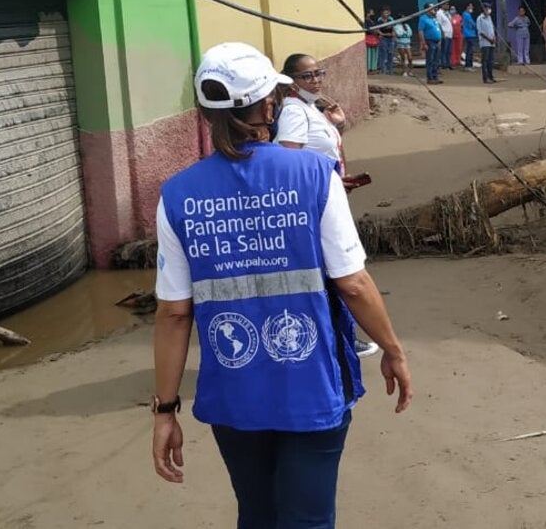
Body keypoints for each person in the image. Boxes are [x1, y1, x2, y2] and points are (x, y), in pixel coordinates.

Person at [150, 42, 413, 529]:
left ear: (206, 113)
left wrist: (165, 410)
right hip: (311, 384)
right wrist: (392, 349)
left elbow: (173, 314)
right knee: (309, 519)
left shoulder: (177, 196)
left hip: (233, 391)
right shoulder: (316, 174)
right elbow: (353, 284)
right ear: (269, 103)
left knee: (256, 514)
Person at [274, 53, 381, 359]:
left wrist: (339, 125)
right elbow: (289, 162)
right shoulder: (294, 112)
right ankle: (337, 340)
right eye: (308, 76)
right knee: (336, 274)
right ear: (292, 80)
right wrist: (321, 185)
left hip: (328, 197)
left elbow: (322, 150)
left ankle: (338, 339)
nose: (316, 80)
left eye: (319, 73)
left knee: (333, 273)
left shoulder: (311, 108)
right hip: (314, 206)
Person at [418, 2, 443, 84]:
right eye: (432, 8)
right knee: (430, 60)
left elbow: (438, 29)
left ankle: (435, 76)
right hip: (429, 41)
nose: (434, 9)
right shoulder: (423, 18)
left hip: (437, 42)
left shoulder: (434, 18)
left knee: (436, 60)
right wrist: (423, 43)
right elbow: (420, 31)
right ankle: (430, 77)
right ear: (427, 9)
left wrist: (440, 40)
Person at [476, 2, 497, 84]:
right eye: (487, 8)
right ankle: (485, 78)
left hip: (492, 42)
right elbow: (481, 32)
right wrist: (489, 39)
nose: (489, 10)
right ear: (484, 9)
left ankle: (491, 76)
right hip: (485, 43)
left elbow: (492, 29)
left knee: (491, 61)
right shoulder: (480, 18)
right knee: (485, 60)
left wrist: (494, 37)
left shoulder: (489, 17)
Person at [377, 6, 396, 76]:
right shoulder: (380, 21)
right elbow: (377, 29)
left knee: (390, 54)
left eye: (387, 13)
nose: (386, 14)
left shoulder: (390, 21)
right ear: (382, 14)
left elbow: (393, 28)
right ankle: (383, 70)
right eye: (385, 13)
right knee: (383, 54)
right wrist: (383, 34)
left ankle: (390, 70)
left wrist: (393, 34)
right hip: (383, 39)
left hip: (390, 39)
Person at [434, 3, 454, 72]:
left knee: (449, 50)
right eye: (446, 5)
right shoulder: (439, 13)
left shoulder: (447, 13)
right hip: (444, 34)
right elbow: (439, 24)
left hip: (450, 34)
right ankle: (443, 64)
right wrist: (442, 34)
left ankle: (448, 63)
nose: (448, 6)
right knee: (444, 50)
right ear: (442, 5)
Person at [460, 2, 478, 69]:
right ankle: (468, 65)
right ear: (467, 7)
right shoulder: (466, 14)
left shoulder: (467, 15)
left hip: (470, 34)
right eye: (471, 6)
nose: (472, 8)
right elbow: (472, 24)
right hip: (469, 34)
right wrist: (476, 26)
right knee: (469, 50)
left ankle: (469, 64)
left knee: (470, 50)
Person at [363, 10, 380, 74]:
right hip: (368, 38)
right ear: (367, 14)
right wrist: (374, 31)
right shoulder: (365, 21)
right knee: (368, 54)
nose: (373, 14)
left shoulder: (373, 21)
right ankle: (368, 68)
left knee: (374, 54)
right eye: (371, 12)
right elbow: (366, 29)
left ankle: (373, 68)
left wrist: (377, 33)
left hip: (374, 38)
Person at [448, 5, 464, 70]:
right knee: (452, 49)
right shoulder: (448, 17)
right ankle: (453, 62)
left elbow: (462, 24)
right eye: (451, 9)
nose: (452, 10)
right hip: (452, 35)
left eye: (453, 9)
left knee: (459, 48)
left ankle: (458, 61)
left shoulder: (459, 16)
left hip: (459, 35)